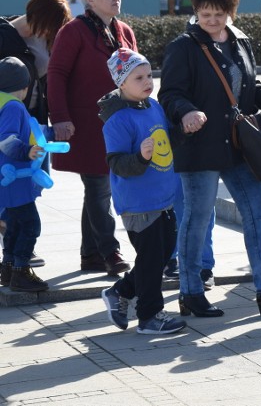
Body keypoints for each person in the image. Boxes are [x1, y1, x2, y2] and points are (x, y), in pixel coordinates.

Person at [159, 0, 261, 318]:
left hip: (240, 145)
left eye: (219, 13)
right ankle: (191, 292)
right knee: (196, 218)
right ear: (195, 10)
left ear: (231, 10)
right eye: (204, 13)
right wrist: (186, 112)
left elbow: (250, 93)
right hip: (200, 145)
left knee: (257, 212)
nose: (211, 20)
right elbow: (171, 94)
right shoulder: (183, 47)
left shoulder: (240, 41)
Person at [47, 0, 134, 277]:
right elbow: (56, 76)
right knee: (99, 186)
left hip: (120, 122)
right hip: (87, 124)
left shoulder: (123, 30)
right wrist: (60, 118)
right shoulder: (73, 31)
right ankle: (110, 251)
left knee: (98, 188)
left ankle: (90, 255)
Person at [98, 49, 186, 335]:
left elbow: (167, 138)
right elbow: (117, 164)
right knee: (150, 259)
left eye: (149, 75)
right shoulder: (118, 120)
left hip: (163, 197)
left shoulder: (153, 105)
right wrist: (141, 157)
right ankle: (149, 316)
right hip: (137, 203)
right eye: (139, 77)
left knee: (160, 255)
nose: (148, 81)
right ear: (122, 84)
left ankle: (121, 292)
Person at [0, 0, 72, 268]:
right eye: (52, 24)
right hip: (9, 124)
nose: (53, 31)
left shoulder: (45, 40)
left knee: (32, 183)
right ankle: (18, 254)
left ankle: (14, 255)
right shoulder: (5, 36)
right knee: (13, 187)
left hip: (33, 121)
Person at [0, 57, 48, 293]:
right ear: (25, 87)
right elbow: (7, 141)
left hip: (4, 179)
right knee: (30, 225)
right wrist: (26, 150)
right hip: (15, 178)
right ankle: (20, 271)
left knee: (12, 224)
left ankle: (7, 268)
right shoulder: (13, 106)